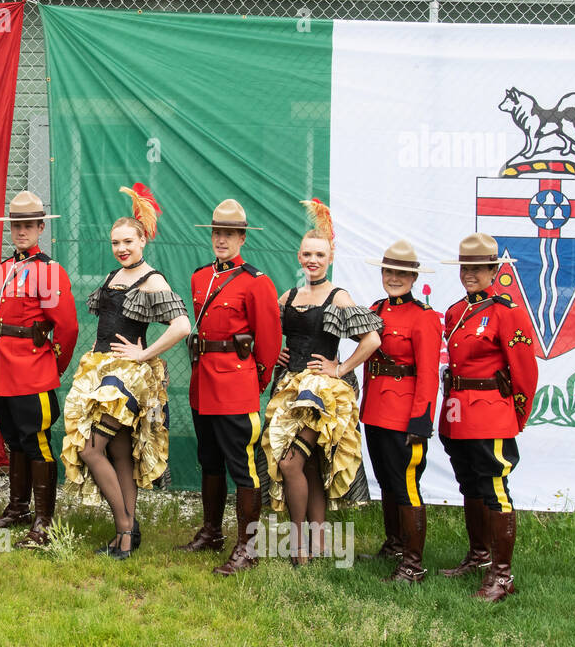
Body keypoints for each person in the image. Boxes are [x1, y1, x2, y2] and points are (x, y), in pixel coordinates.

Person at [60, 184, 190, 560]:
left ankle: (125, 529)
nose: (122, 248)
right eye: (116, 242)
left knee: (89, 448)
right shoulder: (115, 275)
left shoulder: (152, 280)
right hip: (103, 370)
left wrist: (144, 353)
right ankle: (126, 536)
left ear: (143, 240)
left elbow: (181, 326)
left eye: (128, 242)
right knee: (118, 452)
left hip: (126, 377)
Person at [264, 201, 381, 564]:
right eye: (307, 254)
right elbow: (267, 332)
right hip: (289, 389)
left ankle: (299, 546)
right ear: (299, 256)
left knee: (290, 463)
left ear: (330, 257)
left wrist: (341, 367)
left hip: (321, 393)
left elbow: (373, 339)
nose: (312, 260)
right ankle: (318, 544)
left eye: (320, 254)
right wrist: (275, 355)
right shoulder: (289, 296)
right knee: (309, 465)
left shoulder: (338, 296)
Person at [438, 233, 539, 602]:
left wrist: (516, 416)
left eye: (479, 268)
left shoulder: (506, 311)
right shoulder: (455, 311)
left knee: (496, 490)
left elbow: (525, 372)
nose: (470, 274)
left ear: (494, 270)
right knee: (470, 485)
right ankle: (479, 557)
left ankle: (502, 575)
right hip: (459, 412)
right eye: (466, 267)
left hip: (492, 413)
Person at [183, 199, 281, 577]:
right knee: (209, 460)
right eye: (216, 233)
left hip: (235, 386)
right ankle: (211, 532)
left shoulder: (257, 283)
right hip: (203, 382)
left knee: (243, 469)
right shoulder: (199, 277)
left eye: (229, 234)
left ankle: (248, 546)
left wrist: (253, 382)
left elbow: (269, 342)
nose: (221, 240)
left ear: (242, 237)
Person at [0, 191, 79, 548]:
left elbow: (67, 328)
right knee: (15, 441)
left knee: (37, 444)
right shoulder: (5, 269)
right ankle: (19, 507)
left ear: (41, 227)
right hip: (3, 373)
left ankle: (44, 521)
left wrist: (53, 367)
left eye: (28, 225)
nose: (21, 231)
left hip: (32, 372)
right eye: (16, 225)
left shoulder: (50, 271)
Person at [360, 240, 442, 581]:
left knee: (407, 485)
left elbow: (428, 373)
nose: (394, 278)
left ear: (412, 277)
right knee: (387, 482)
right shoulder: (376, 309)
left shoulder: (423, 318)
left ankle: (413, 564)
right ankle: (394, 544)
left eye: (402, 273)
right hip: (376, 410)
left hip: (403, 413)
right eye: (389, 271)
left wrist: (421, 420)